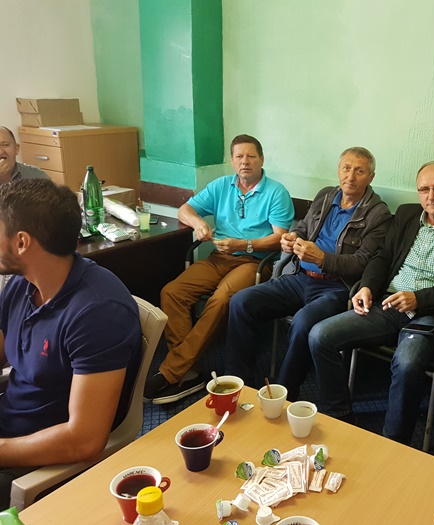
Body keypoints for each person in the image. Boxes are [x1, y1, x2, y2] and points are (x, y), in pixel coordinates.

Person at [309, 161, 434, 440]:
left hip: (431, 313)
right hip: (387, 304)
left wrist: (418, 299)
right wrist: (366, 287)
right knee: (320, 335)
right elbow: (382, 257)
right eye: (424, 189)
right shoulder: (406, 215)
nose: (431, 196)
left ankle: (395, 442)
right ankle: (338, 413)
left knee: (406, 364)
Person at [0, 179, 141, 509]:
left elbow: (84, 440)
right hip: (10, 425)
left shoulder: (98, 312)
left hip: (37, 456)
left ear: (21, 242)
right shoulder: (22, 284)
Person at [227, 147, 392, 401]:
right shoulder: (326, 195)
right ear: (338, 171)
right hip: (301, 277)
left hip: (339, 288)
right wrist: (292, 237)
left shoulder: (378, 213)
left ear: (371, 177)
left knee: (303, 322)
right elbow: (304, 229)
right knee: (241, 301)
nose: (351, 176)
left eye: (359, 171)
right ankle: (239, 384)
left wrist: (323, 259)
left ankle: (284, 394)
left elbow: (363, 263)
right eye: (346, 168)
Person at [144, 134, 294, 404]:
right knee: (172, 292)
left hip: (254, 262)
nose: (245, 162)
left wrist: (243, 244)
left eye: (251, 156)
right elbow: (184, 210)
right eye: (239, 156)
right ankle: (187, 370)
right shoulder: (222, 185)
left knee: (221, 299)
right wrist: (199, 223)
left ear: (261, 159)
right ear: (232, 161)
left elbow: (280, 238)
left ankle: (171, 371)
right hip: (219, 258)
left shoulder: (276, 192)